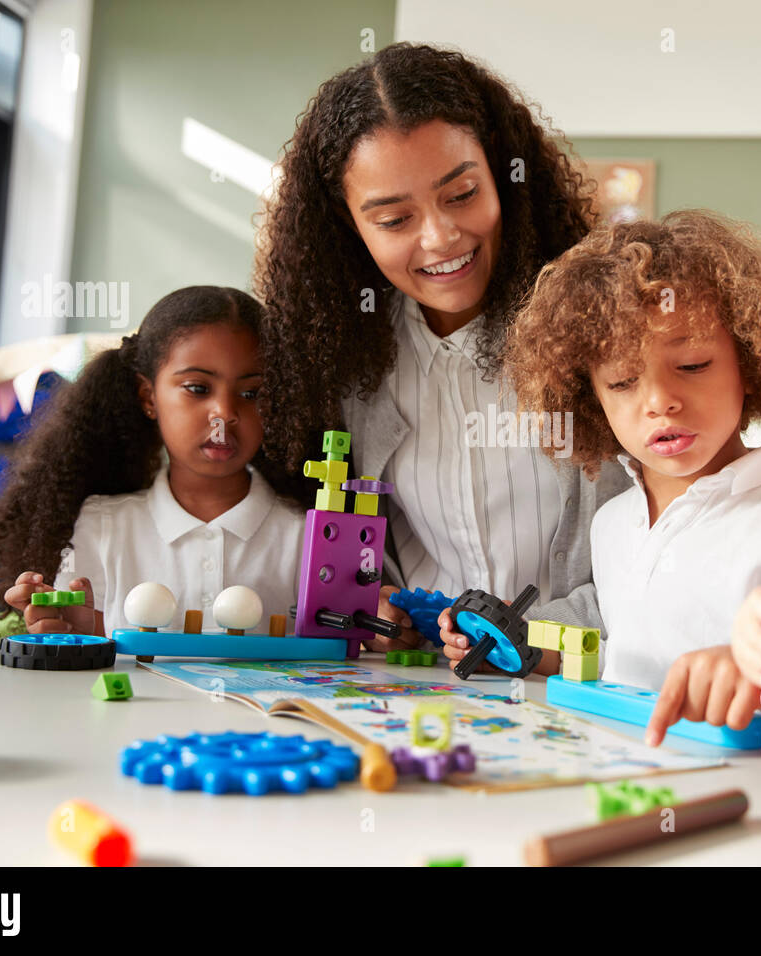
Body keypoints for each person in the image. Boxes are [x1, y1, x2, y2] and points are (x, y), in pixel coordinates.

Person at [253, 42, 630, 654]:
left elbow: (663, 538)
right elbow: (361, 543)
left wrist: (525, 642)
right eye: (394, 219)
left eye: (461, 195)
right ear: (350, 227)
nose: (440, 237)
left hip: (583, 681)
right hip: (423, 688)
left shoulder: (604, 331)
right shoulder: (345, 365)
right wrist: (376, 601)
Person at [493, 209, 761, 745]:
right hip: (622, 781)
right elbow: (631, 657)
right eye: (624, 381)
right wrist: (526, 653)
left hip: (758, 809)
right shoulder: (613, 523)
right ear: (590, 398)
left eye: (693, 365)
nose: (659, 401)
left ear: (750, 362)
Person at [0, 287, 309, 637]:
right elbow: (81, 671)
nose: (225, 413)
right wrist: (73, 634)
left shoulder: (310, 535)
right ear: (149, 396)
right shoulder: (102, 527)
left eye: (251, 393)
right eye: (198, 388)